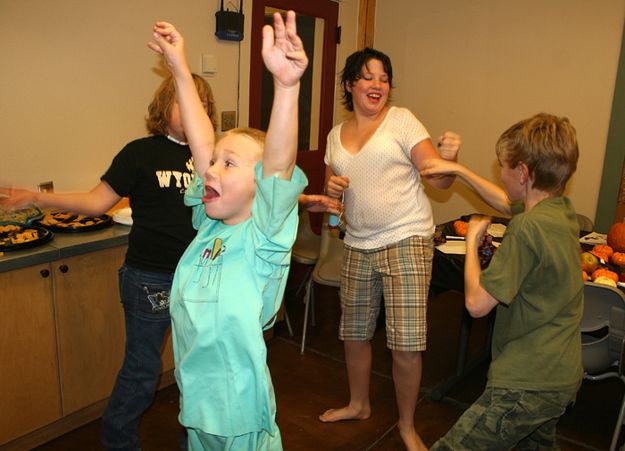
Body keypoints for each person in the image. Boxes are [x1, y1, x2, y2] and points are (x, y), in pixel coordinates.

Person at [0, 72, 217, 450]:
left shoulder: (214, 159)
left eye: (200, 104)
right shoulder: (139, 152)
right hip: (150, 279)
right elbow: (96, 202)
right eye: (183, 100)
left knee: (196, 372)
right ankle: (118, 442)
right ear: (163, 107)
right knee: (143, 373)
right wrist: (38, 197)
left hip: (199, 278)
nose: (192, 110)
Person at [147, 10, 309, 450]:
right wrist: (179, 67)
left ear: (261, 187)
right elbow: (202, 143)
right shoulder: (207, 225)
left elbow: (277, 165)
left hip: (238, 411)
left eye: (229, 164)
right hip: (196, 404)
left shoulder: (264, 236)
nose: (211, 170)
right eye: (214, 162)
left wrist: (287, 87)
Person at [319, 47, 461, 451]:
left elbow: (440, 182)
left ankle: (406, 424)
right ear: (350, 85)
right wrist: (331, 197)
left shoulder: (401, 121)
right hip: (358, 242)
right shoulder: (334, 136)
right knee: (354, 334)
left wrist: (449, 160)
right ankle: (359, 403)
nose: (377, 84)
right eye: (367, 77)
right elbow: (332, 213)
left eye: (384, 78)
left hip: (406, 239)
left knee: (406, 342)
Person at [421, 113, 583, 450]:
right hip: (560, 376)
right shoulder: (562, 213)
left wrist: (469, 246)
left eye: (504, 167)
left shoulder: (525, 228)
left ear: (523, 173)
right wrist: (460, 171)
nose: (501, 174)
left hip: (526, 382)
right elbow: (507, 202)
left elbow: (476, 305)